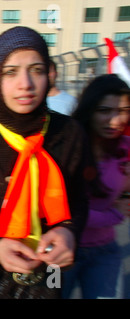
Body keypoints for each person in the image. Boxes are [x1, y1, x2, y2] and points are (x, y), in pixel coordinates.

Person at [0, 26, 89, 299]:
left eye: (36, 70)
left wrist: (70, 232)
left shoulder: (71, 133)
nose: (25, 83)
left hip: (49, 270)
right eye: (10, 72)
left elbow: (79, 199)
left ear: (48, 75)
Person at [62, 74, 130, 299]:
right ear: (89, 110)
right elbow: (64, 211)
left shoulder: (126, 148)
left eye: (123, 111)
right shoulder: (66, 147)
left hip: (105, 253)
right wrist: (114, 215)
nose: (116, 120)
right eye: (105, 111)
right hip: (59, 252)